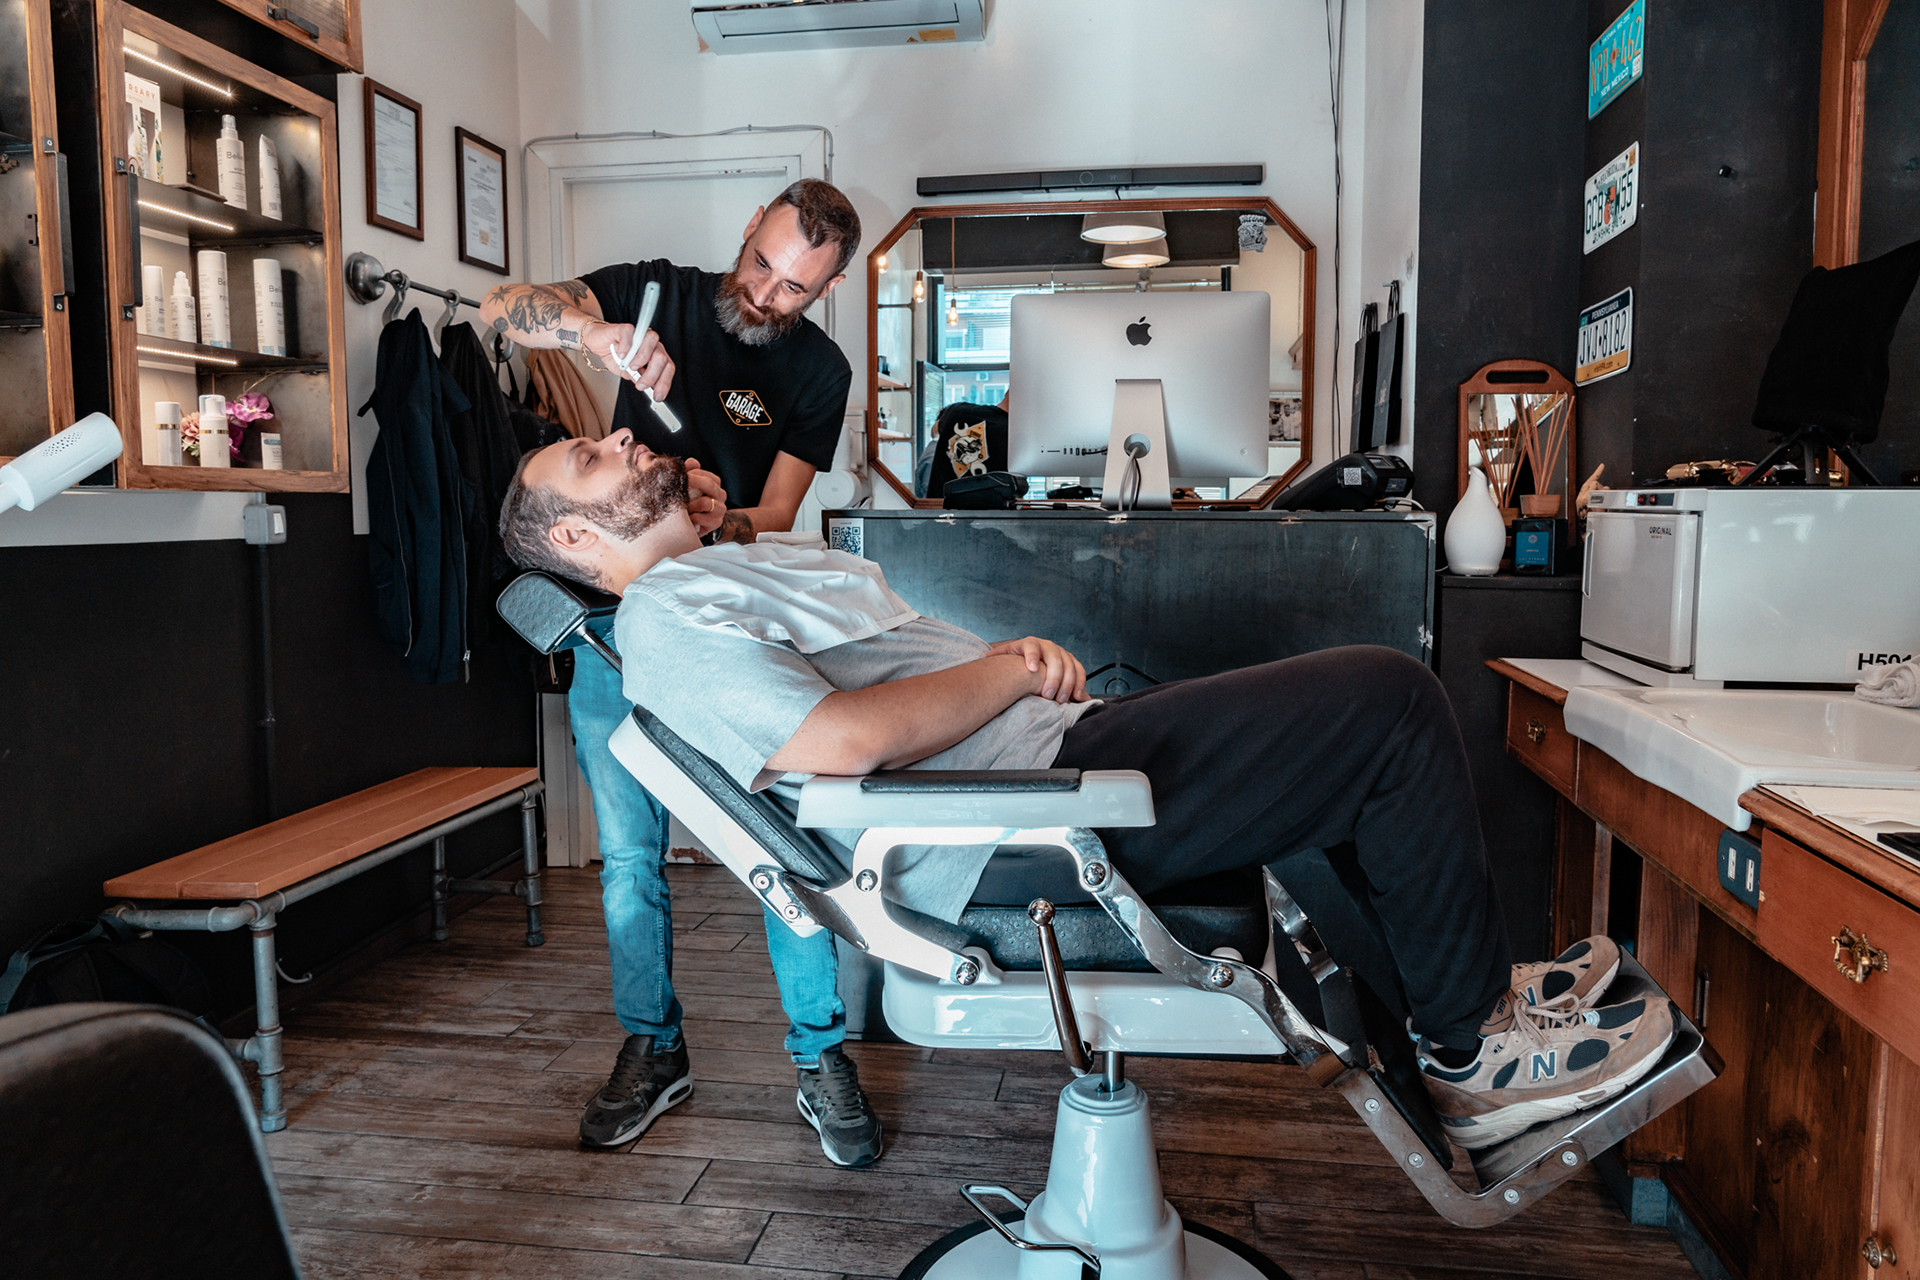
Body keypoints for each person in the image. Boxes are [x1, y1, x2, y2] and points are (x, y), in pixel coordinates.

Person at [496, 435, 1679, 1155]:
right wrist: (1011, 664)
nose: (623, 439)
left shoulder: (711, 573)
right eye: (592, 459)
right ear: (576, 537)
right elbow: (837, 740)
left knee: (1348, 747)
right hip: (1022, 822)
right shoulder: (664, 617)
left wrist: (723, 530)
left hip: (1039, 770)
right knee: (1389, 703)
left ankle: (1462, 1002)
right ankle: (1473, 1051)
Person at [478, 179, 883, 1166]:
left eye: (793, 288)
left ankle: (821, 1052)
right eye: (761, 265)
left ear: (826, 290)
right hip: (613, 625)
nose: (765, 293)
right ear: (747, 229)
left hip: (729, 617)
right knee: (628, 857)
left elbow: (777, 510)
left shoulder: (820, 371)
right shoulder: (650, 291)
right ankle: (654, 1045)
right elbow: (501, 307)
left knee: (782, 845)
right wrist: (597, 334)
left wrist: (716, 516)